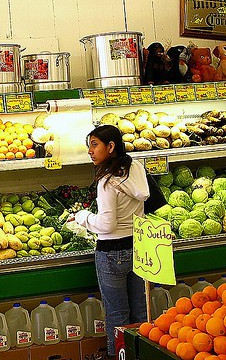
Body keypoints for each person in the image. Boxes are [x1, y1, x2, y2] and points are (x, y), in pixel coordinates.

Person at [73, 124, 149, 359]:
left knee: (117, 315)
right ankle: (144, 355)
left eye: (94, 145)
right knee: (140, 312)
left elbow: (107, 224)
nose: (90, 151)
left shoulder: (107, 182)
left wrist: (82, 217)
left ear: (111, 146)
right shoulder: (135, 167)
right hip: (137, 247)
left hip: (112, 253)